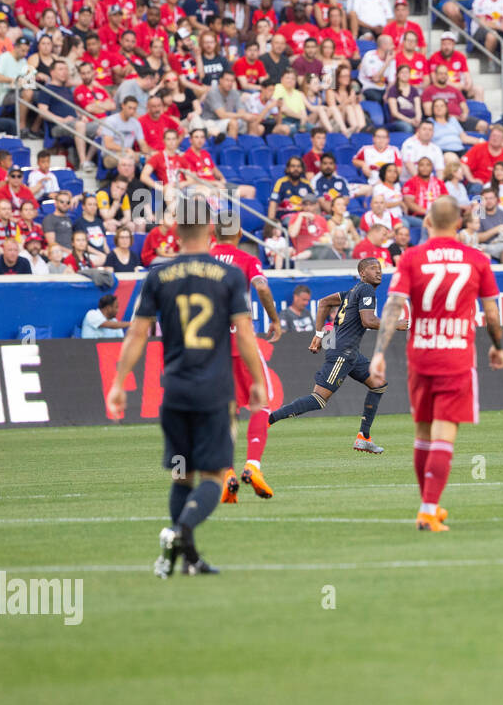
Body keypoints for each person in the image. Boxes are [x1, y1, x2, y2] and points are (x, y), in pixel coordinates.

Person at [107, 205, 267, 577]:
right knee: (212, 477)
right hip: (214, 391)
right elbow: (244, 334)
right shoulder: (227, 274)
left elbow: (137, 332)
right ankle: (178, 533)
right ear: (211, 228)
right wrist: (258, 379)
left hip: (175, 391)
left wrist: (118, 383)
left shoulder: (159, 275)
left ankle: (189, 559)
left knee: (181, 474)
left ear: (175, 229)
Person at [371, 196, 503, 533]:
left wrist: (378, 353)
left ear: (428, 222)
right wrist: (498, 346)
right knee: (445, 432)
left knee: (422, 432)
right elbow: (491, 312)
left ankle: (427, 504)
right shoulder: (476, 259)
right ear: (459, 224)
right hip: (456, 355)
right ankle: (428, 509)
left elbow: (393, 307)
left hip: (421, 354)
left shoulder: (412, 258)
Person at [269, 257, 407, 455]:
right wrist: (395, 323)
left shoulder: (351, 292)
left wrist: (318, 335)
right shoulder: (366, 289)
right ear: (362, 274)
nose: (378, 271)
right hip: (343, 352)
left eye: (380, 268)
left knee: (378, 385)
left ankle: (364, 437)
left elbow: (324, 302)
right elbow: (368, 320)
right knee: (318, 399)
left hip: (346, 350)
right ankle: (267, 420)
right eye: (372, 268)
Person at [209, 221, 283, 503]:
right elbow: (262, 287)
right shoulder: (247, 260)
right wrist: (274, 319)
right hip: (241, 341)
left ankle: (226, 471)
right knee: (261, 403)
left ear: (214, 234)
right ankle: (252, 466)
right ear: (239, 234)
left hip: (209, 347)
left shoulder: (200, 261)